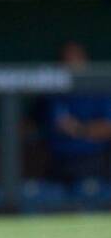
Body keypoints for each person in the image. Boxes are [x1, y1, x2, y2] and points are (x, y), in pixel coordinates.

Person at [42, 41, 111, 183]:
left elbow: (108, 128)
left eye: (75, 59)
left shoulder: (99, 91)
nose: (70, 65)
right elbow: (31, 122)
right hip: (57, 162)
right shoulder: (52, 94)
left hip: (91, 162)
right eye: (65, 61)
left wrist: (79, 129)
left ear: (84, 61)